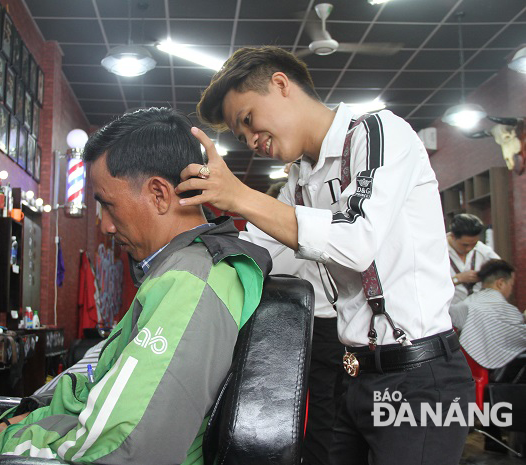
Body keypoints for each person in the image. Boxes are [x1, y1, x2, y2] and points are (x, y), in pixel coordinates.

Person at [0, 107, 271, 465]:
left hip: (108, 451)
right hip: (91, 434)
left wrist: (12, 442)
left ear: (159, 194)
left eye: (109, 206)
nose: (106, 226)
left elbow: (130, 449)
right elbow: (102, 386)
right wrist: (28, 419)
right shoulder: (175, 269)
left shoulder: (190, 283)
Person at [175, 46, 474, 465]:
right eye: (241, 136)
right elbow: (261, 253)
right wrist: (179, 245)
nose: (251, 141)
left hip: (419, 375)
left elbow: (356, 240)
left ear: (280, 85)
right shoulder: (300, 180)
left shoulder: (376, 132)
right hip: (353, 374)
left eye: (248, 120)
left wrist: (239, 196)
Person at [243, 181, 343, 465]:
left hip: (304, 322)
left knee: (285, 400)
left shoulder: (297, 232)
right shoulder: (301, 232)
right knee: (320, 405)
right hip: (316, 322)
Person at [449, 259, 526, 371]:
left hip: (467, 367)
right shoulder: (503, 308)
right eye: (511, 285)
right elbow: (520, 337)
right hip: (496, 371)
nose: (511, 290)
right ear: (500, 283)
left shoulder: (468, 303)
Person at [447, 213, 500, 304]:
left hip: (477, 312)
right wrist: (457, 279)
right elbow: (428, 286)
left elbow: (503, 271)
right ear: (452, 236)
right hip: (448, 312)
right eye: (465, 245)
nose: (469, 248)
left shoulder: (482, 250)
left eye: (474, 244)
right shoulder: (438, 252)